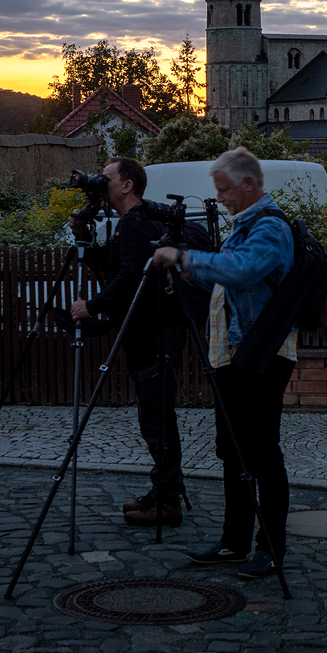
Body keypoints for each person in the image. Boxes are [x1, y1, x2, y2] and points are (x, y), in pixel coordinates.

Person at [151, 146, 296, 581]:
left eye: (226, 190)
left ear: (250, 184)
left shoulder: (270, 228)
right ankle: (235, 542)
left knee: (262, 455)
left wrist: (184, 258)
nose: (221, 199)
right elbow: (226, 278)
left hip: (261, 357)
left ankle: (270, 551)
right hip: (234, 356)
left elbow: (242, 271)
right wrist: (191, 272)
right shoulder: (244, 225)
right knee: (233, 452)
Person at [70, 156, 187, 527]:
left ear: (127, 185)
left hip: (151, 335)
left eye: (106, 178)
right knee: (156, 419)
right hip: (153, 333)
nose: (99, 183)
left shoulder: (137, 222)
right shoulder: (132, 223)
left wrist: (92, 306)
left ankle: (167, 502)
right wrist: (84, 238)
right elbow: (119, 268)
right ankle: (164, 493)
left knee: (156, 422)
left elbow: (129, 280)